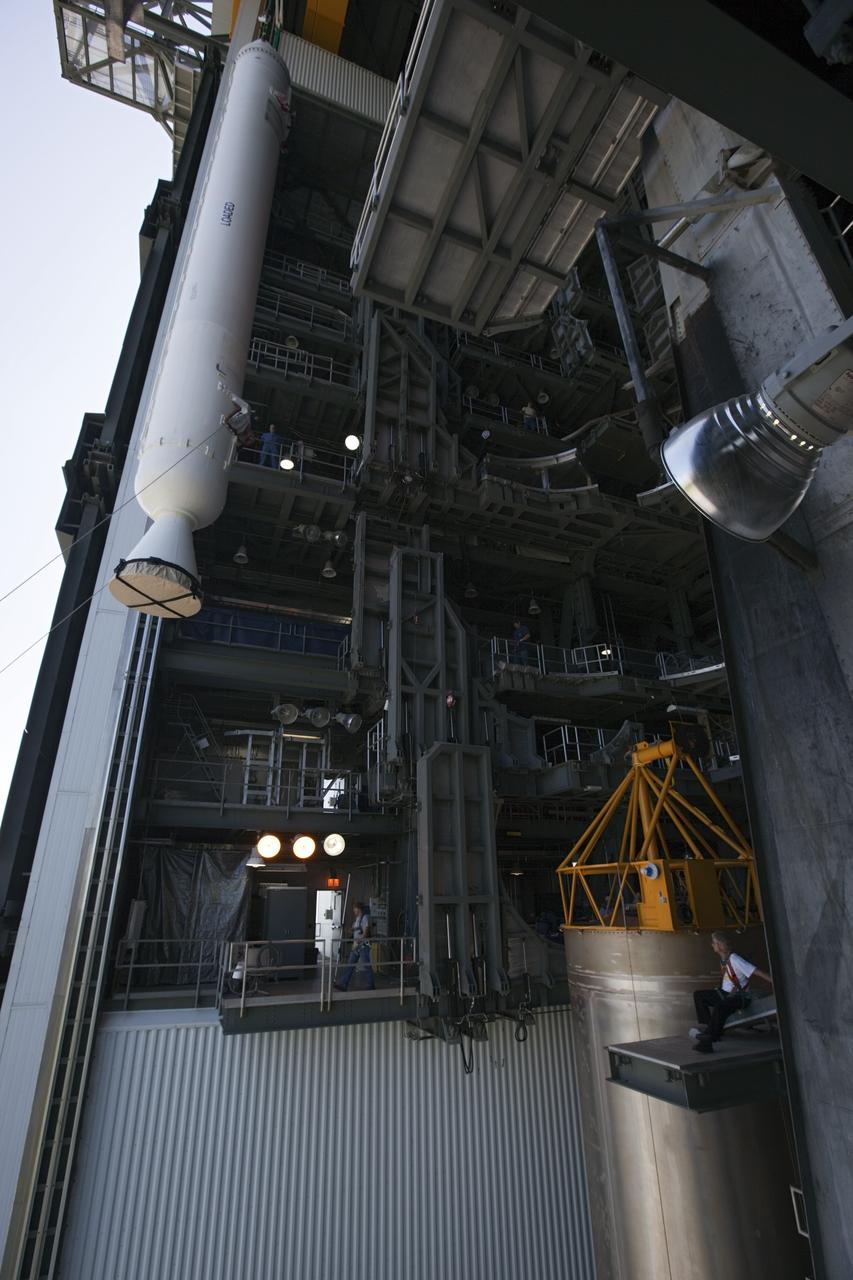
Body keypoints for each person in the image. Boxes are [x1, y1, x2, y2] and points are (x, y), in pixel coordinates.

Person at [691, 931, 772, 1053]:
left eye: (713, 943)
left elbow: (756, 971)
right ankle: (708, 1030)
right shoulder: (723, 959)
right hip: (725, 993)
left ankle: (708, 1038)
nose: (712, 945)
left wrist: (775, 982)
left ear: (719, 945)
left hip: (740, 996)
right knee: (699, 996)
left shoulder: (734, 959)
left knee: (720, 1007)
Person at [334, 900, 374, 991]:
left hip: (363, 945)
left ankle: (371, 984)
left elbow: (366, 930)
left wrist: (360, 940)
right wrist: (349, 930)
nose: (353, 910)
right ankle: (343, 984)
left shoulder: (365, 917)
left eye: (354, 908)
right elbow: (357, 929)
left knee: (366, 965)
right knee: (350, 965)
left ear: (358, 909)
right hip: (357, 945)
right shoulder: (358, 919)